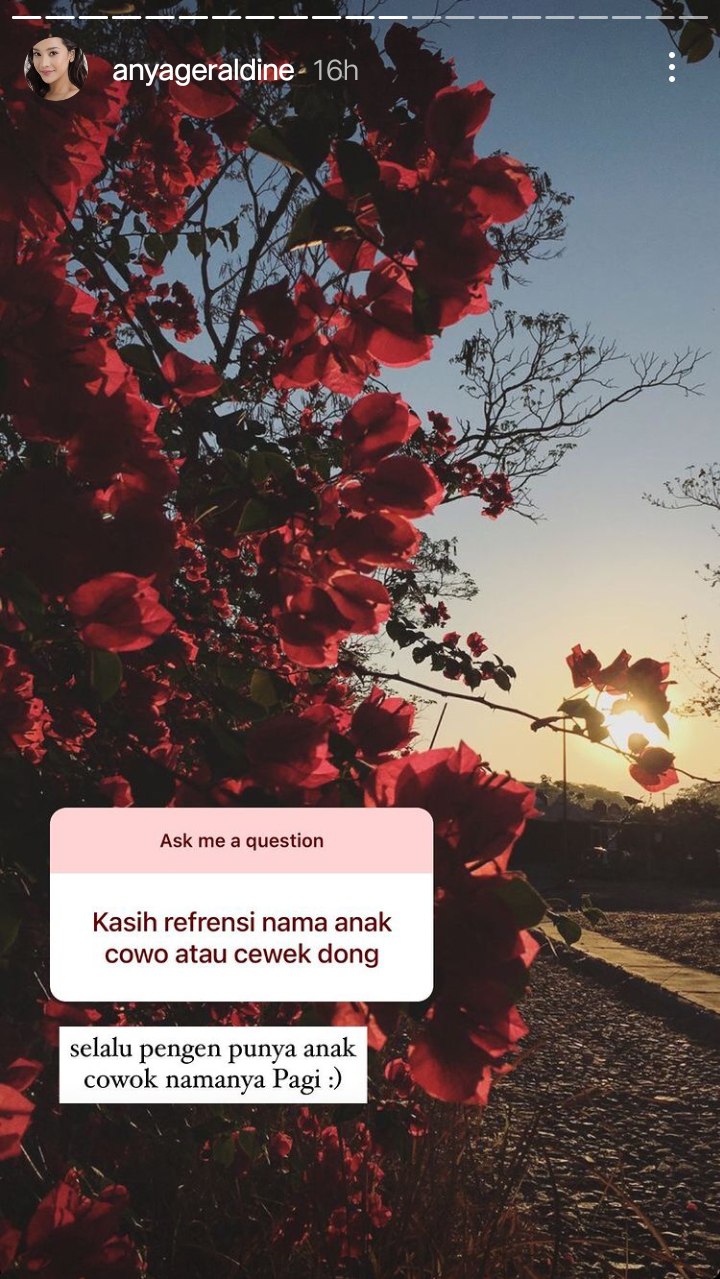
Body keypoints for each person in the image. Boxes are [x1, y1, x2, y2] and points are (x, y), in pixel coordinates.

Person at [25, 36, 88, 102]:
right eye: (37, 54)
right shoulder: (34, 93)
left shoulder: (82, 100)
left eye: (53, 53)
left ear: (71, 55)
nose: (43, 64)